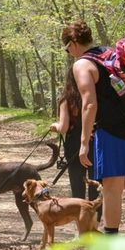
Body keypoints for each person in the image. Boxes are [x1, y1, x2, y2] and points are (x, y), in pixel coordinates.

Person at [62, 20, 125, 239]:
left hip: (112, 132)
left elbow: (89, 103)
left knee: (112, 187)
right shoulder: (112, 54)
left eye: (67, 49)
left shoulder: (82, 64)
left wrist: (84, 143)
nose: (69, 54)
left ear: (74, 43)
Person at [49, 68, 99, 203]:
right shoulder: (95, 95)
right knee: (95, 179)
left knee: (77, 181)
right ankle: (96, 215)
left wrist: (55, 127)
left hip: (74, 143)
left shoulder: (66, 99)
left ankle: (80, 214)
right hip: (94, 138)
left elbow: (63, 127)